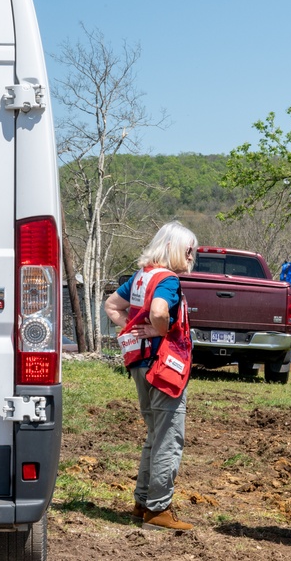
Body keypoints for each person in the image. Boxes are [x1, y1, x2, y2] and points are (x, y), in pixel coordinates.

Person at [104, 221, 198, 531]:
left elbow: (111, 306)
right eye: (189, 250)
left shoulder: (141, 276)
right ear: (173, 249)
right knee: (169, 437)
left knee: (154, 434)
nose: (192, 256)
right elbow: (159, 312)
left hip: (140, 365)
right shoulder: (168, 280)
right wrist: (161, 328)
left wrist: (132, 329)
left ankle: (142, 503)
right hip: (164, 367)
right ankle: (159, 509)